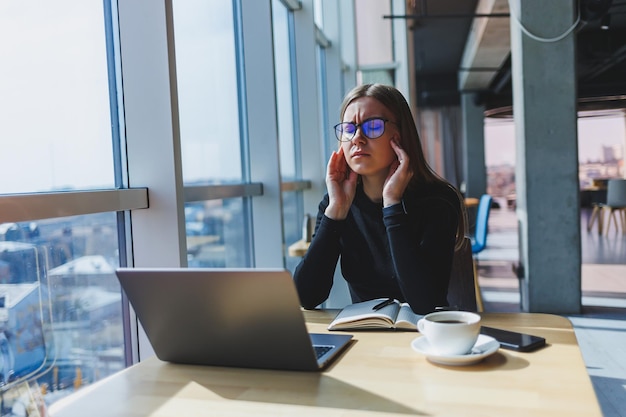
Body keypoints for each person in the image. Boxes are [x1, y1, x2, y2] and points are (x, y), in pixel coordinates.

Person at [293, 83, 467, 314]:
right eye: (349, 129)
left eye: (372, 126)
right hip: (365, 336)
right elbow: (306, 296)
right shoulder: (337, 203)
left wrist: (392, 203)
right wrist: (335, 213)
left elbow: (426, 303)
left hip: (426, 335)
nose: (357, 138)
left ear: (400, 135)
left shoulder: (439, 201)